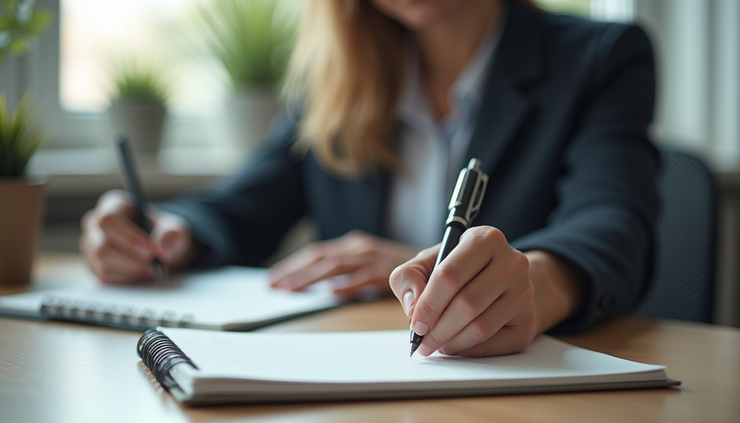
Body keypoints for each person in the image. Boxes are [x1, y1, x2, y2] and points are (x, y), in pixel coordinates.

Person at [80, 0, 659, 358]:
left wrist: (530, 282)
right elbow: (244, 204)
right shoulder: (336, 78)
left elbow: (613, 223)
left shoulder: (600, 58)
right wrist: (164, 232)